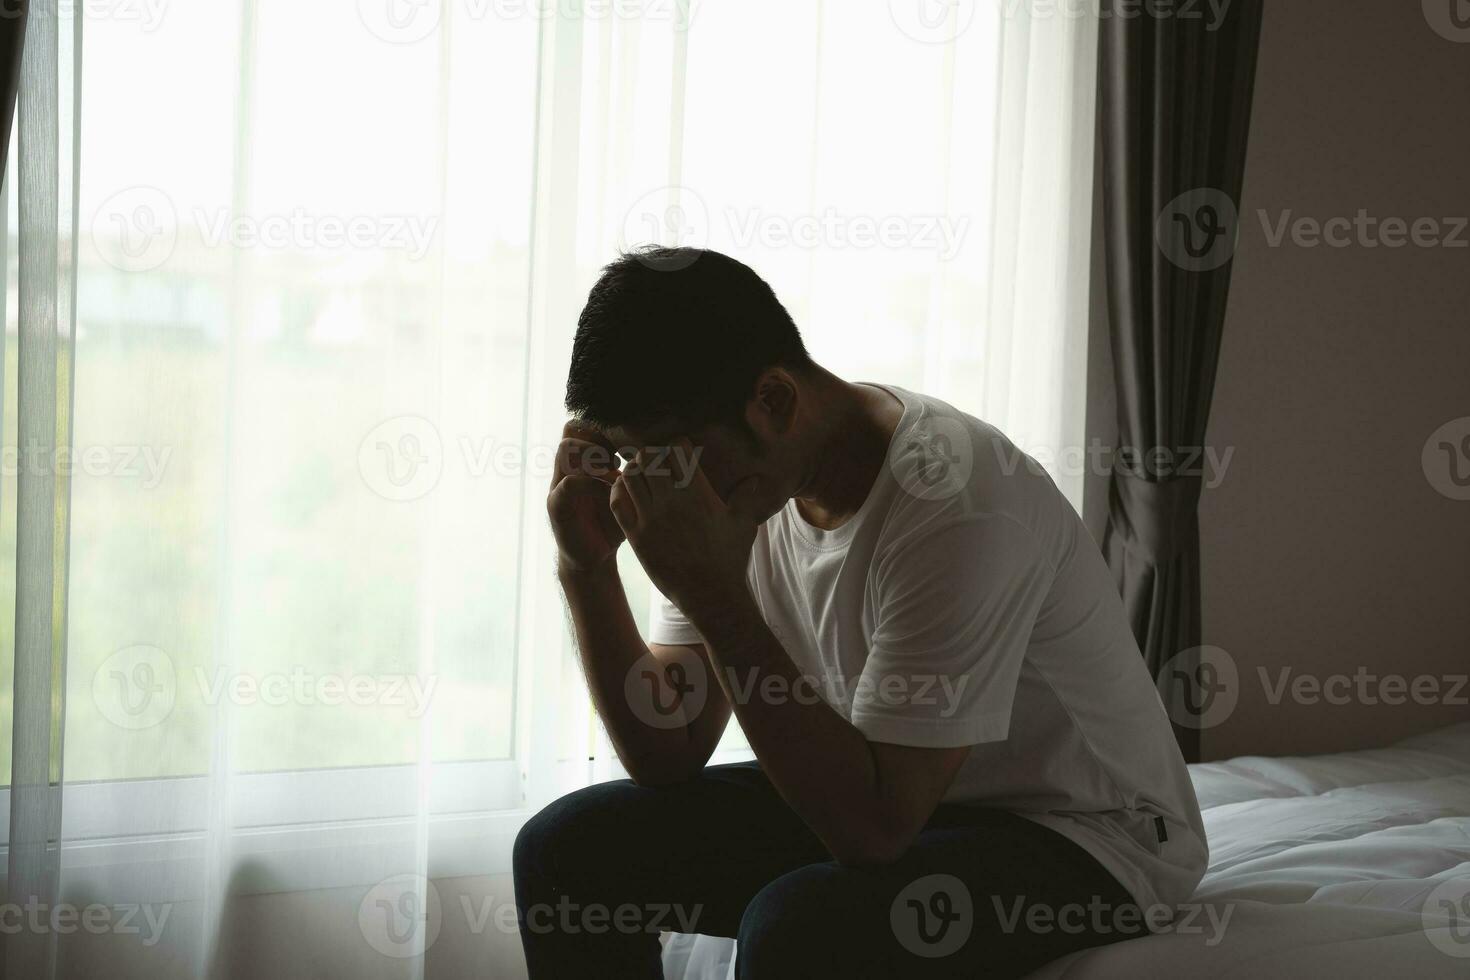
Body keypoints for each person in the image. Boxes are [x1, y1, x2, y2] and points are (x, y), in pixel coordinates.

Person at [514, 247, 1206, 979]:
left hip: (1090, 836)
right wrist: (585, 568)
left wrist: (715, 594)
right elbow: (670, 747)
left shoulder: (957, 503)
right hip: (902, 791)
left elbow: (873, 832)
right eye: (636, 464)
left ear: (774, 402)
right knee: (567, 852)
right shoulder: (740, 483)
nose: (657, 492)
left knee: (799, 927)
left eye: (669, 460)